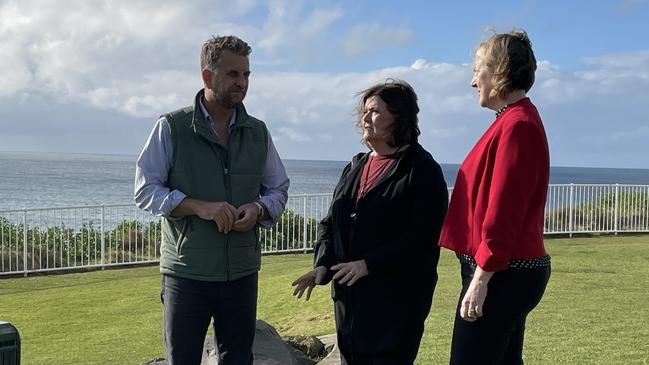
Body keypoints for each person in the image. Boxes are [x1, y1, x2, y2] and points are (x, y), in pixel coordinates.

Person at [134, 35, 289, 365]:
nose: (242, 83)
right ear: (207, 76)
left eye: (247, 75)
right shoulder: (171, 127)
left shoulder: (258, 132)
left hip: (243, 273)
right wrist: (198, 206)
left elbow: (279, 189)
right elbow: (145, 190)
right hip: (187, 274)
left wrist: (259, 208)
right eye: (233, 74)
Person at [292, 80, 448, 365]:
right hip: (350, 305)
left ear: (399, 117)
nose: (365, 118)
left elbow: (423, 238)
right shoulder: (355, 166)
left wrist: (368, 264)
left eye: (375, 112)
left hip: (394, 307)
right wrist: (322, 265)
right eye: (364, 111)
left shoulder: (421, 170)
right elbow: (330, 224)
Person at [439, 30, 551, 365]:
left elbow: (504, 211)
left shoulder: (518, 125)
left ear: (499, 71)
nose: (474, 81)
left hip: (503, 273)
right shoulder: (511, 121)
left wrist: (481, 278)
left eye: (477, 70)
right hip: (506, 270)